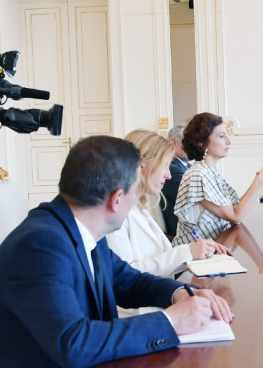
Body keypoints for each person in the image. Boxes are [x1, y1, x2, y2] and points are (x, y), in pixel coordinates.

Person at [0, 136, 233, 368]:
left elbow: (128, 280)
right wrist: (171, 321)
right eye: (133, 191)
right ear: (117, 199)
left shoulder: (82, 227)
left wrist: (182, 292)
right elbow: (74, 343)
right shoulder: (40, 246)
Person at [107, 130, 231, 287]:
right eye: (165, 166)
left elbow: (161, 261)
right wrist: (188, 252)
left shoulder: (139, 207)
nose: (168, 175)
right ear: (142, 164)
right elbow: (124, 276)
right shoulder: (115, 213)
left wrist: (200, 251)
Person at [172, 112, 263, 249]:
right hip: (195, 260)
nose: (229, 141)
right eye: (221, 136)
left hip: (215, 249)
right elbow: (236, 216)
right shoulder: (197, 174)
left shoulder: (209, 171)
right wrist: (260, 181)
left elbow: (236, 207)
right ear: (202, 143)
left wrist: (257, 179)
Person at [162, 123, 189, 236]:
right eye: (187, 142)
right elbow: (199, 200)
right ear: (174, 142)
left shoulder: (188, 167)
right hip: (183, 233)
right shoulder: (172, 170)